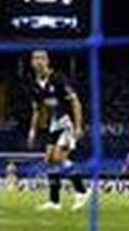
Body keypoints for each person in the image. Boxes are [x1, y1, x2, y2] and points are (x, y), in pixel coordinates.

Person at [26, 48, 88, 212]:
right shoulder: (34, 84)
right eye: (35, 58)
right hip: (54, 125)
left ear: (47, 61)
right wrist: (32, 130)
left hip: (67, 122)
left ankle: (82, 191)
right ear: (32, 63)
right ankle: (54, 202)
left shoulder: (58, 79)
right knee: (50, 160)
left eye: (42, 58)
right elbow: (37, 110)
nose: (38, 61)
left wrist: (78, 125)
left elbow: (76, 102)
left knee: (59, 157)